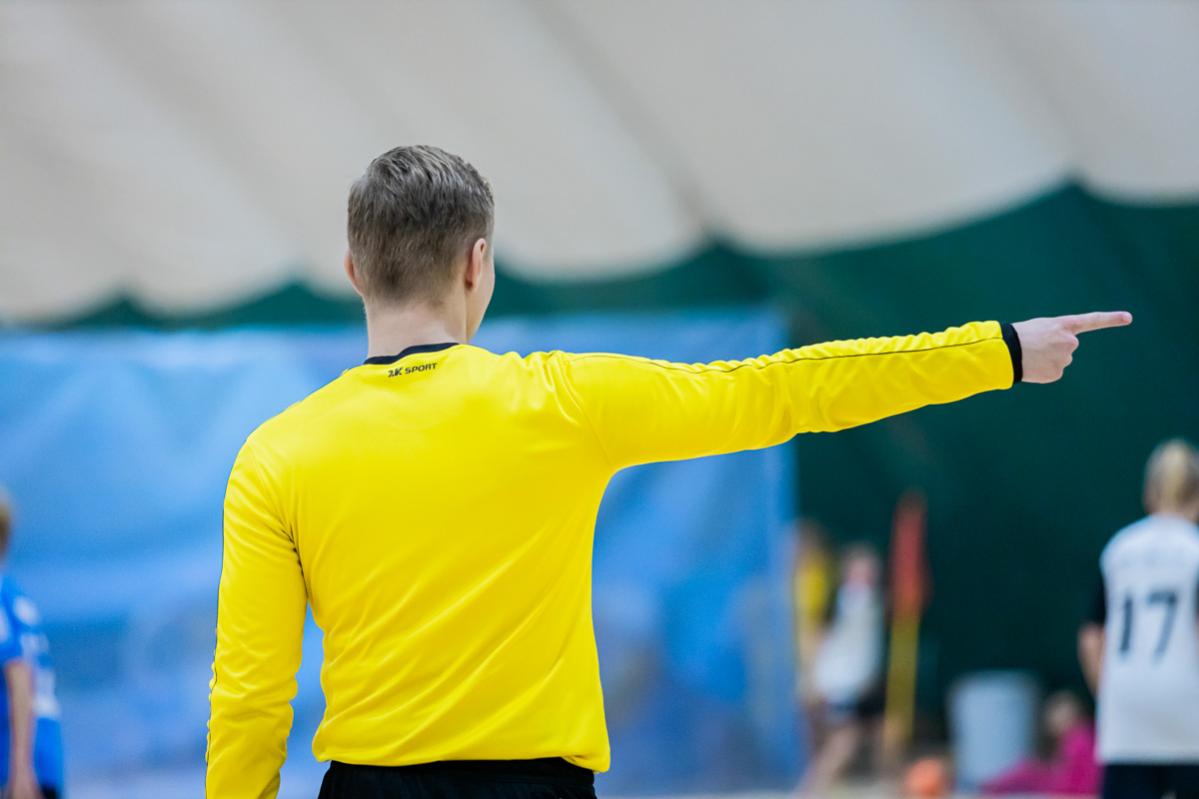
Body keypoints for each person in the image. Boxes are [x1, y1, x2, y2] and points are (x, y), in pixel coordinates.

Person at [204, 144, 1131, 799]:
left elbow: (250, 696)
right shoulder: (560, 401)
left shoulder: (277, 455)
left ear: (353, 269)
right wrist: (999, 350)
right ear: (477, 263)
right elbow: (784, 390)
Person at [1079, 439, 1199, 799]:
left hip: (1126, 705)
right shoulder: (1194, 550)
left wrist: (1110, 694)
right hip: (1185, 701)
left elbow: (1091, 636)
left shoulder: (1120, 549)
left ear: (1149, 492)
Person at [800, 545, 886, 796]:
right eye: (862, 570)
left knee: (853, 735)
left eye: (870, 570)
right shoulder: (854, 599)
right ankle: (813, 788)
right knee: (845, 739)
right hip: (841, 683)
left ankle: (820, 786)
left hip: (848, 682)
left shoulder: (857, 599)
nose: (868, 576)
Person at [0, 492, 64, 799]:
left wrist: (21, 768)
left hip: (16, 764)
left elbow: (19, 673)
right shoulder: (14, 594)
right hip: (45, 753)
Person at [981, 690, 1099, 796]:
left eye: (1057, 712)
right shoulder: (1075, 739)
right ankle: (992, 786)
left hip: (1070, 792)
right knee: (1028, 770)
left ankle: (992, 786)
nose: (1051, 718)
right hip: (1064, 789)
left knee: (1028, 771)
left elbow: (1078, 783)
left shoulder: (1079, 740)